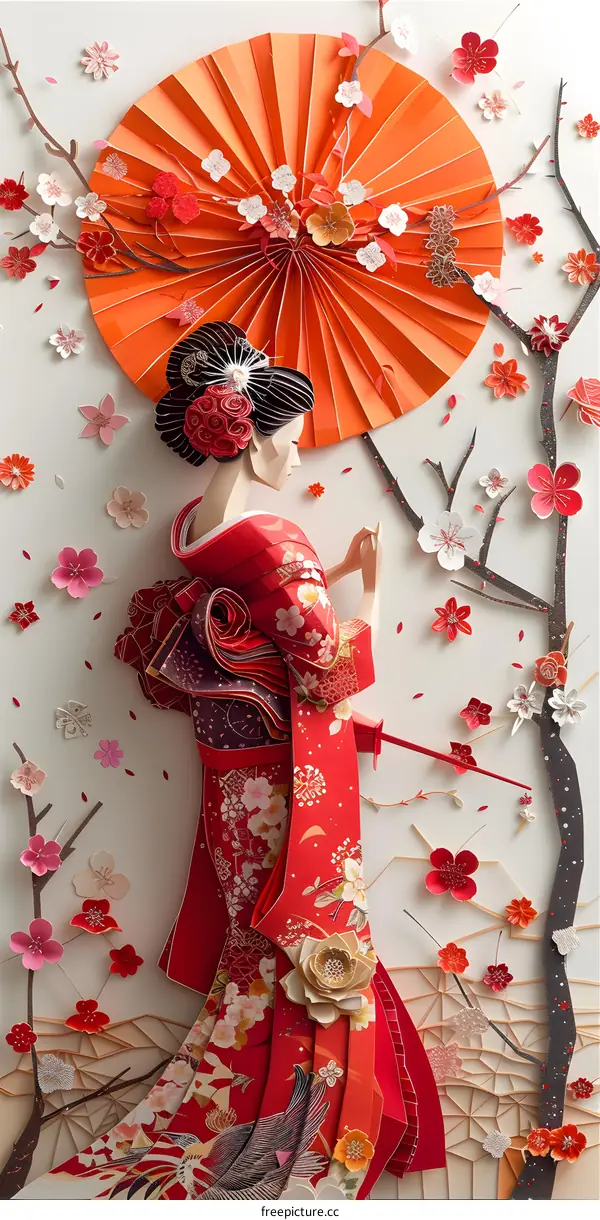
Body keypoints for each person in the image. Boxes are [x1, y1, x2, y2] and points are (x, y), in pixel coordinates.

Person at [25, 323, 446, 1201]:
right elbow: (326, 669)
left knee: (256, 948)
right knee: (293, 941)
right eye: (291, 442)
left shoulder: (197, 528)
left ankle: (237, 1114)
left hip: (232, 779)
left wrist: (325, 577)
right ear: (253, 440)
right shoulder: (272, 539)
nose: (295, 459)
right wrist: (369, 591)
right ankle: (291, 1140)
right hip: (282, 781)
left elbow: (268, 627)